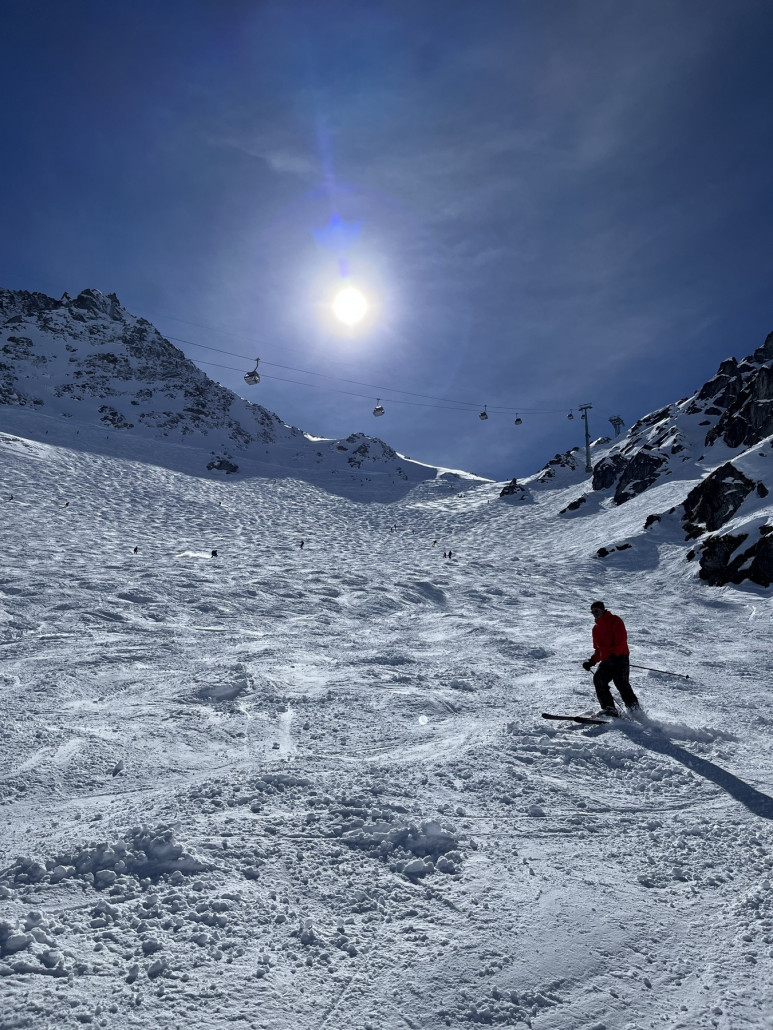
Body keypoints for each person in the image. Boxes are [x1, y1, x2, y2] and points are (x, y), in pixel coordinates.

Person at [582, 601, 640, 717]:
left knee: (621, 682)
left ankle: (635, 711)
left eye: (596, 610)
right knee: (599, 679)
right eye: (592, 612)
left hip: (620, 657)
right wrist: (592, 661)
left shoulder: (615, 620)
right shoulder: (596, 629)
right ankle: (609, 709)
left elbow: (621, 640)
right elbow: (599, 650)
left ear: (603, 610)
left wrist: (615, 655)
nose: (594, 613)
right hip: (607, 660)